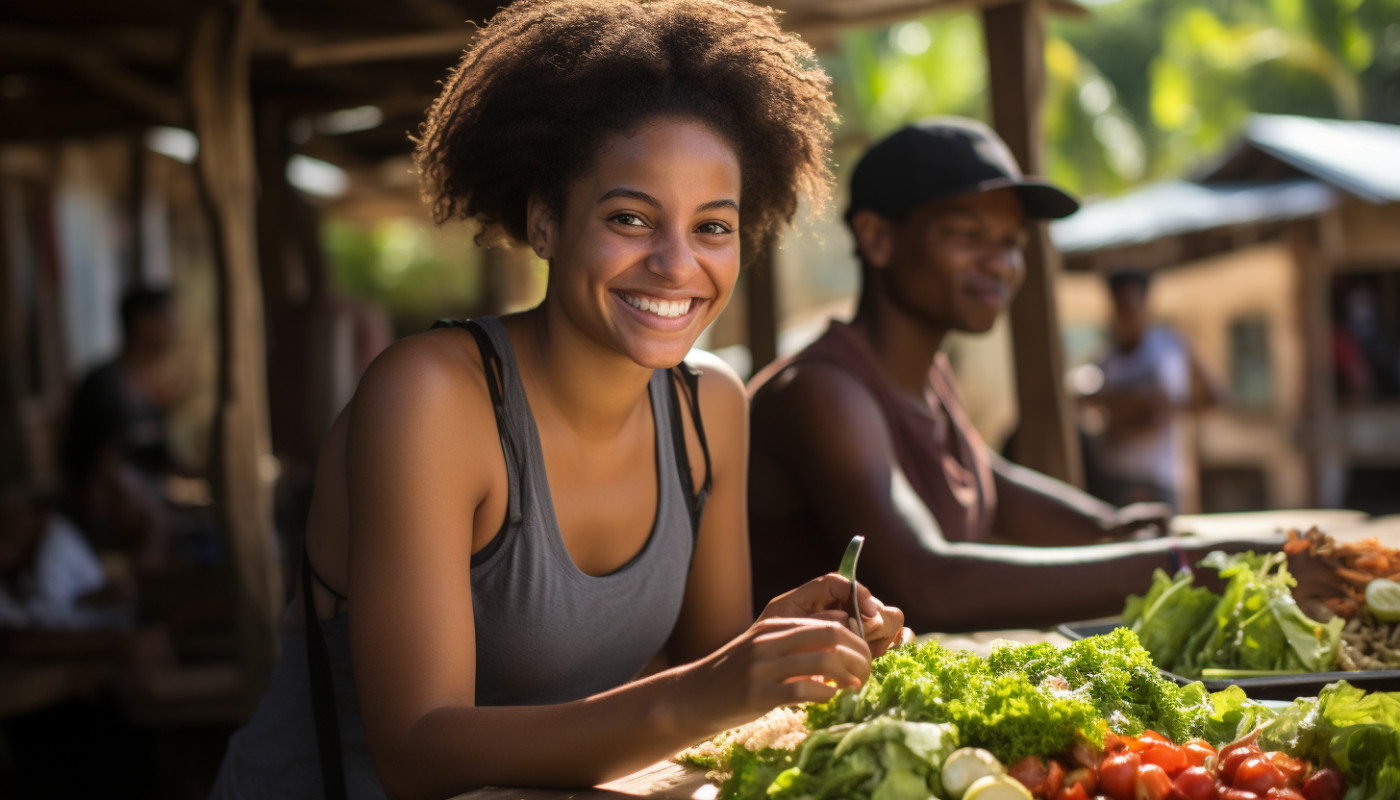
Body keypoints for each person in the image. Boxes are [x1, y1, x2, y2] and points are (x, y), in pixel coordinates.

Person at [209, 2, 910, 798]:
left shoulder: (707, 406)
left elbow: (712, 690)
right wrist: (712, 686)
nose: (677, 265)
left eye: (713, 228)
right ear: (545, 222)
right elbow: (416, 749)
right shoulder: (433, 399)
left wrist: (782, 646)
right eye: (629, 218)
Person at [746, 117, 1279, 634]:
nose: (1001, 263)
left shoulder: (926, 375)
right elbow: (927, 583)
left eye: (1012, 242)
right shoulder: (823, 392)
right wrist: (1196, 565)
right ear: (878, 238)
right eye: (967, 234)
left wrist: (1108, 528)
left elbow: (986, 480)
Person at [60, 286, 183, 572]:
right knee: (157, 521)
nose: (175, 329)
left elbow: (164, 460)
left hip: (140, 498)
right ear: (141, 323)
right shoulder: (105, 384)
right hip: (104, 503)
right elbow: (104, 471)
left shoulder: (148, 388)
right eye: (168, 319)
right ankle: (137, 588)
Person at [1083, 269, 1226, 510]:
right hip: (1116, 478)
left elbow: (1217, 397)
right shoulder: (1105, 360)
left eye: (1132, 305)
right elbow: (1091, 408)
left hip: (1162, 479)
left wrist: (1165, 408)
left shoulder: (1171, 346)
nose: (1128, 315)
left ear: (1145, 305)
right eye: (1121, 307)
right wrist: (1138, 406)